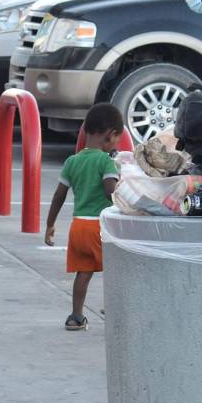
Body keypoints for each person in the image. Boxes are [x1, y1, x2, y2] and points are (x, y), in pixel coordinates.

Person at [44, 103, 123, 332]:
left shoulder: (72, 161)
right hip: (99, 226)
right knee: (115, 267)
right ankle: (114, 307)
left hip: (78, 226)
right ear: (110, 135)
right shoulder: (105, 161)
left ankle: (76, 316)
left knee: (84, 271)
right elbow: (110, 189)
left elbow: (59, 195)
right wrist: (123, 190)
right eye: (117, 139)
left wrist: (50, 224)